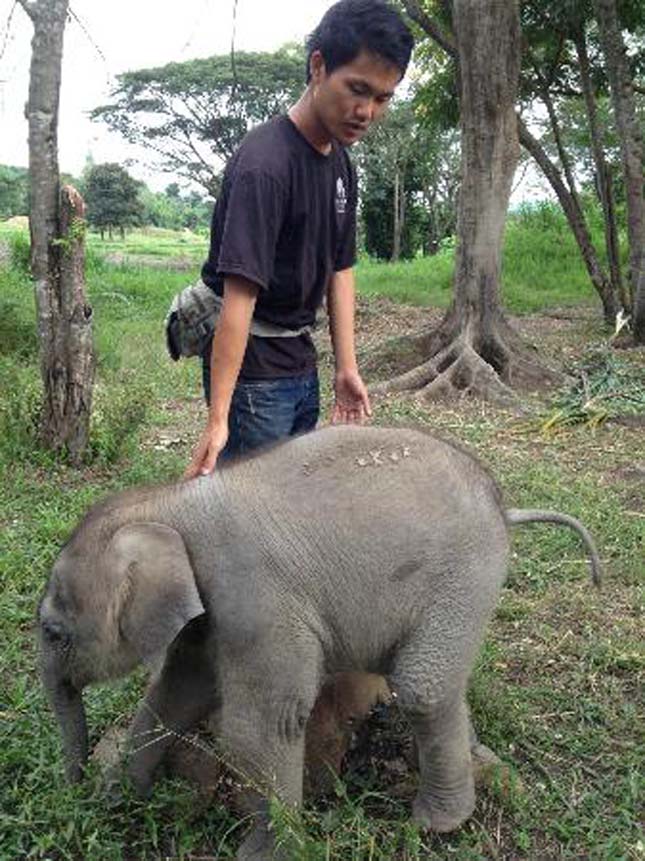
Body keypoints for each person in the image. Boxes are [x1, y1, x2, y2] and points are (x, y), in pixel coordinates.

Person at [184, 0, 414, 477]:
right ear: (317, 66)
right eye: (357, 89)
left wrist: (346, 368)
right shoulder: (265, 163)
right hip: (255, 374)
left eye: (383, 98)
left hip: (299, 362)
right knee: (252, 517)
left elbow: (341, 267)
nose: (366, 111)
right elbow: (239, 294)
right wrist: (219, 416)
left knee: (291, 501)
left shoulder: (339, 162)